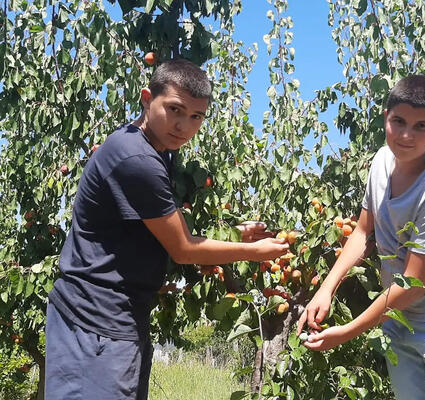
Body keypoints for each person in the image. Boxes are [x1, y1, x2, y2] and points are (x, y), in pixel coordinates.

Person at [45, 58, 289, 400]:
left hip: (115, 319)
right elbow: (183, 248)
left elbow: (160, 229)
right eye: (174, 110)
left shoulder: (156, 149)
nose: (183, 126)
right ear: (147, 98)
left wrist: (233, 234)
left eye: (196, 117)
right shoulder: (138, 159)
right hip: (96, 323)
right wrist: (254, 251)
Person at [297, 75, 425, 399]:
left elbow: (411, 287)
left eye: (421, 127)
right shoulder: (381, 162)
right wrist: (326, 289)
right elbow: (362, 232)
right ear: (385, 116)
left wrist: (346, 332)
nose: (405, 135)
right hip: (399, 319)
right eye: (398, 121)